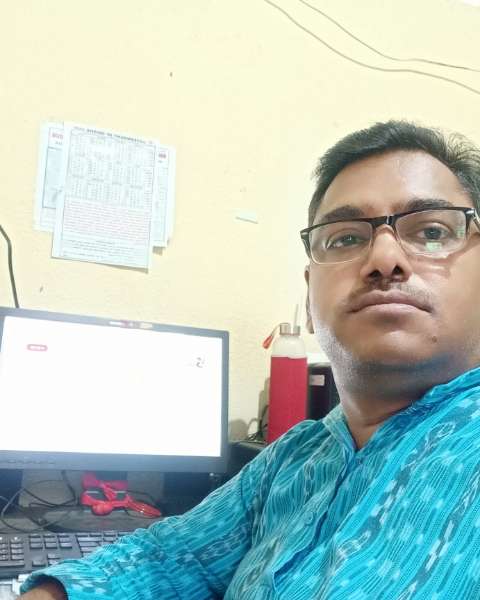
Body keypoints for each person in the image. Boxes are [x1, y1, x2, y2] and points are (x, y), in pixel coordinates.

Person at [20, 120, 480, 599]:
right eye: (345, 238)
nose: (384, 258)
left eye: (431, 231)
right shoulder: (297, 457)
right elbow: (171, 558)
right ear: (309, 298)